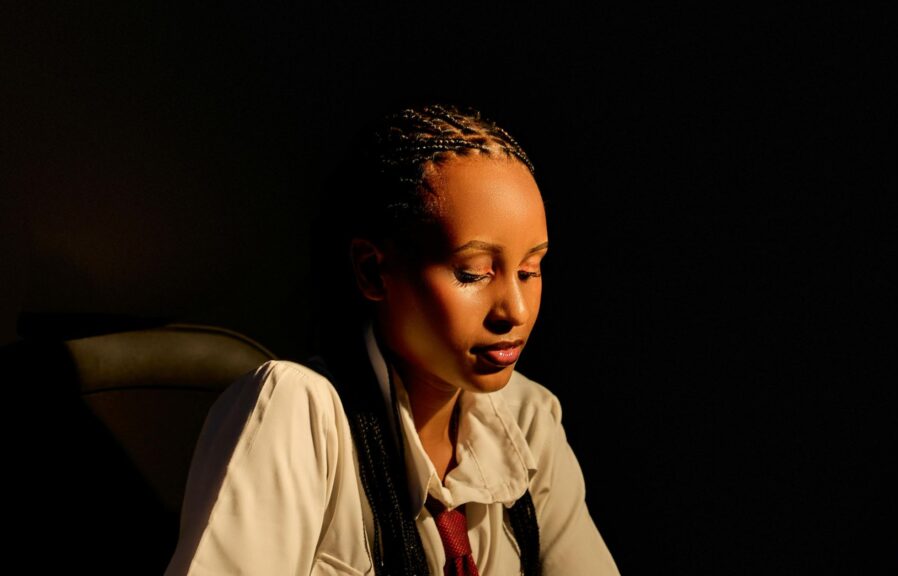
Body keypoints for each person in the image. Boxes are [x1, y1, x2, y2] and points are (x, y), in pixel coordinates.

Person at [164, 104, 619, 575]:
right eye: (474, 273)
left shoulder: (529, 421)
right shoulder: (300, 414)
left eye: (530, 270)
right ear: (373, 270)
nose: (516, 311)